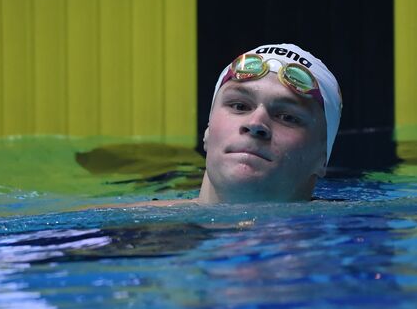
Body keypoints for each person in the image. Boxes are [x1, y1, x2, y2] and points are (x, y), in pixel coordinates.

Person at [104, 43, 342, 208]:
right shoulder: (114, 225)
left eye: (288, 117)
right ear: (207, 132)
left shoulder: (358, 229)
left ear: (323, 157)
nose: (256, 124)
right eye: (239, 106)